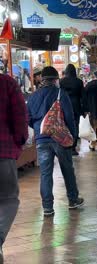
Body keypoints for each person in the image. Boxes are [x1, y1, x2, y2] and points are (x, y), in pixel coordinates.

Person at [27, 66, 84, 217]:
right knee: (67, 169)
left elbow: (28, 118)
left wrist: (40, 128)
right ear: (55, 80)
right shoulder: (60, 93)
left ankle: (47, 207)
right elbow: (70, 117)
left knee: (45, 173)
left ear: (42, 79)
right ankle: (73, 199)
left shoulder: (33, 96)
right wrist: (72, 136)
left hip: (42, 139)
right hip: (60, 138)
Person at [0, 73, 28, 263]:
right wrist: (19, 142)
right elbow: (20, 116)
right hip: (2, 152)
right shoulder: (6, 82)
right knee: (8, 200)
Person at [60, 64, 85, 156]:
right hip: (76, 105)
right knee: (75, 126)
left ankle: (65, 145)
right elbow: (83, 96)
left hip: (64, 105)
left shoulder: (62, 81)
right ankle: (73, 147)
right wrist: (84, 109)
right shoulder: (79, 81)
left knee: (65, 125)